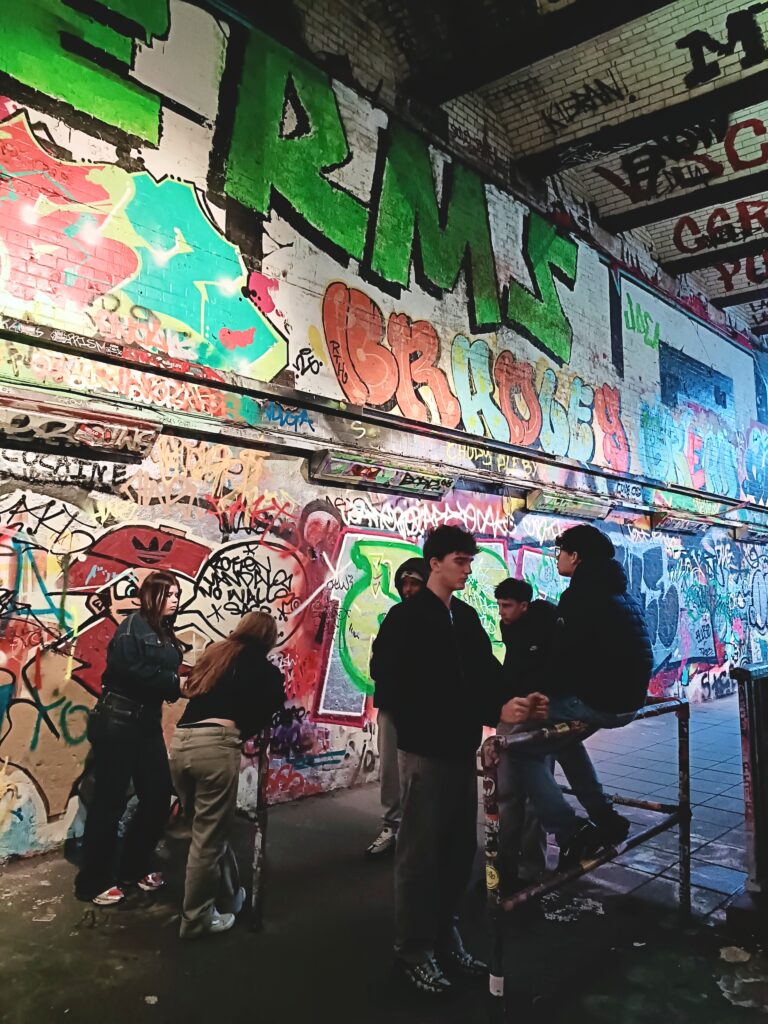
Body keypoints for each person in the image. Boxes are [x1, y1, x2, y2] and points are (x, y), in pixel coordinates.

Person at [370, 525, 543, 996]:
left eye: (469, 561)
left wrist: (513, 700)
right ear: (435, 563)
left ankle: (445, 936)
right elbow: (390, 678)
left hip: (460, 751)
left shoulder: (463, 617)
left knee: (457, 852)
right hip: (425, 752)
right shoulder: (406, 618)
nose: (468, 570)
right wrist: (478, 708)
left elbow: (486, 674)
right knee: (420, 854)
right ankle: (413, 951)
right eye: (460, 561)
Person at [516, 524, 653, 869]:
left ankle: (569, 829)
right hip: (629, 701)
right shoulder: (621, 592)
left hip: (601, 702)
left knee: (518, 748)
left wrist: (533, 693)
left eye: (560, 552)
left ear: (575, 556)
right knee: (563, 741)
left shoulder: (579, 596)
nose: (557, 558)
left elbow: (561, 659)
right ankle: (605, 818)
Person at [170, 611, 285, 938]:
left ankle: (231, 896)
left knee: (207, 829)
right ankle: (195, 920)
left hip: (181, 741)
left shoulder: (216, 653)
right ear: (268, 638)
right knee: (207, 840)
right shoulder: (265, 671)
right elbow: (268, 709)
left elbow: (191, 689)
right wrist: (241, 730)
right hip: (215, 746)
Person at [75, 571, 183, 906]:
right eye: (168, 594)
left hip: (145, 722)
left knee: (158, 795)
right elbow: (131, 671)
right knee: (109, 801)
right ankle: (92, 882)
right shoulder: (132, 628)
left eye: (177, 594)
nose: (175, 600)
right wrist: (175, 684)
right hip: (118, 721)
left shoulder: (163, 631)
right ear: (151, 596)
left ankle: (133, 866)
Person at [494, 579, 558, 892]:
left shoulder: (547, 628)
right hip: (512, 715)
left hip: (539, 718)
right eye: (499, 605)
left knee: (534, 799)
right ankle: (505, 864)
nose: (501, 612)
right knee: (507, 795)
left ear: (524, 605)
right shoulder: (509, 627)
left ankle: (531, 869)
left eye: (507, 606)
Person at [366, 557, 429, 859]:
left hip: (422, 709)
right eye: (404, 583)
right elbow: (378, 660)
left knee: (419, 773)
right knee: (391, 769)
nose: (407, 589)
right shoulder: (396, 615)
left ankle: (417, 832)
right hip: (393, 705)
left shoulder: (443, 616)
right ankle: (391, 826)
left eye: (414, 583)